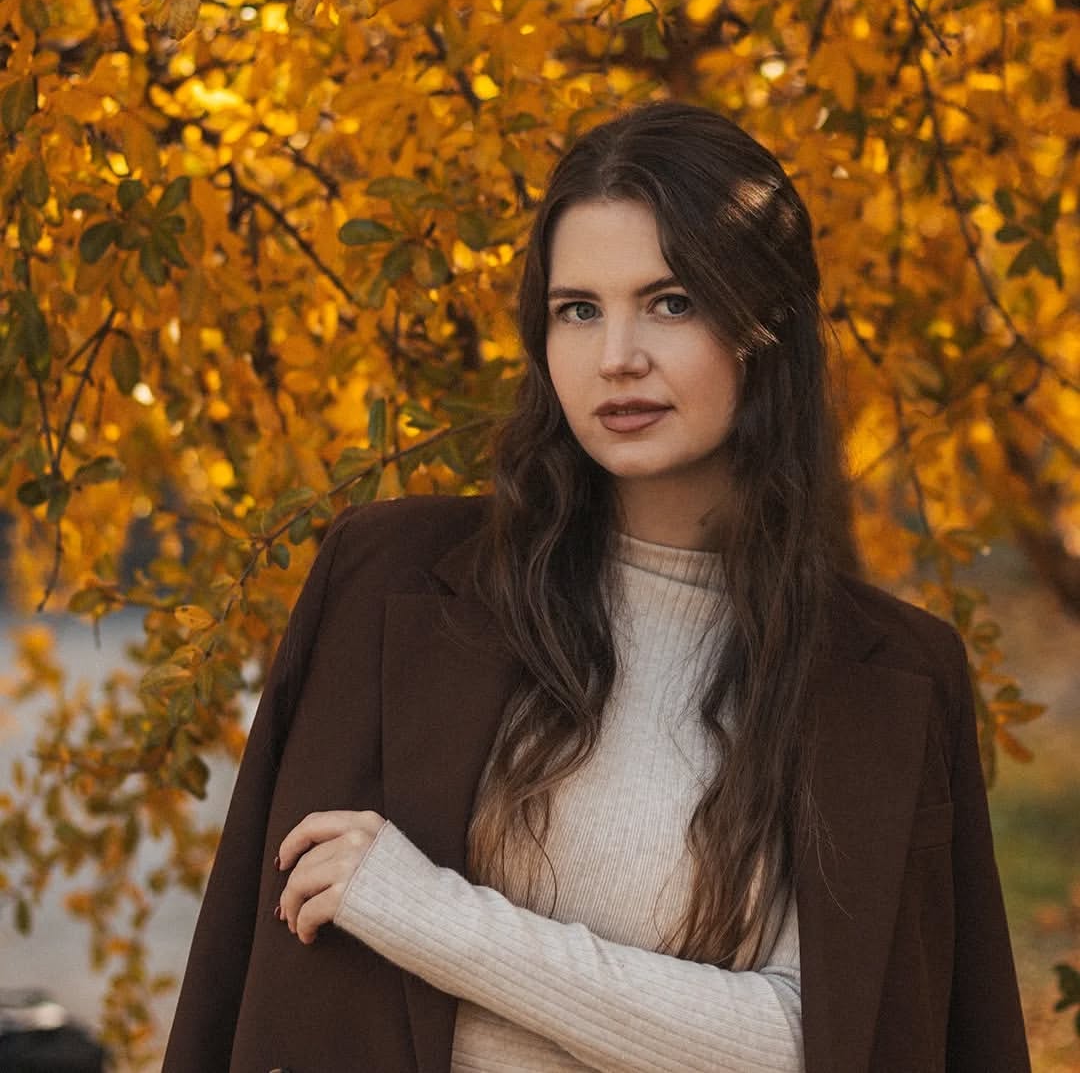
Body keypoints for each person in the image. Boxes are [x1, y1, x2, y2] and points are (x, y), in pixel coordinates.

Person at [163, 102, 1030, 1073]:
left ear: (766, 328)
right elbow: (239, 970)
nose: (616, 356)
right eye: (578, 309)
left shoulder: (890, 678)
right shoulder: (388, 581)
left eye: (670, 302)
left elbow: (812, 1039)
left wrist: (434, 919)